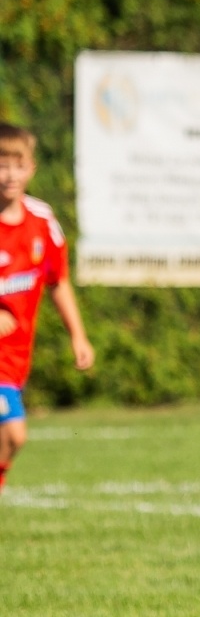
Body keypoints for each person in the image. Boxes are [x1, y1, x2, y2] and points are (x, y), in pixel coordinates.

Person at [0, 123, 94, 495]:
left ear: (31, 169)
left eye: (17, 164)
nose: (9, 174)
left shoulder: (42, 221)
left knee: (10, 439)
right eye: (1, 164)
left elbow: (58, 281)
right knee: (16, 433)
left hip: (16, 358)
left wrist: (78, 336)